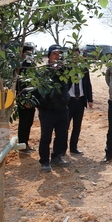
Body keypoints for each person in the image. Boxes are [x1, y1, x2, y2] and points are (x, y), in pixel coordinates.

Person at [36, 44, 71, 172]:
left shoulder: (64, 70)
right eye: (55, 54)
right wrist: (40, 105)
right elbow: (37, 90)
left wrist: (66, 99)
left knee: (62, 135)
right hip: (47, 110)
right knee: (46, 137)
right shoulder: (43, 71)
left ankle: (57, 157)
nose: (57, 56)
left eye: (59, 54)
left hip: (62, 109)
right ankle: (44, 161)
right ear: (49, 55)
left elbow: (68, 85)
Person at [66, 47, 93, 155]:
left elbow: (88, 85)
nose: (75, 58)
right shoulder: (66, 69)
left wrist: (90, 100)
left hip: (80, 101)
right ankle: (62, 149)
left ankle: (73, 147)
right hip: (68, 101)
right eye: (73, 56)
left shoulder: (84, 68)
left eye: (77, 55)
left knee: (77, 126)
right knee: (65, 126)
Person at [16, 43, 36, 154]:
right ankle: (22, 145)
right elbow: (19, 85)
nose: (30, 55)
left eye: (31, 53)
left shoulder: (32, 66)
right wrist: (24, 101)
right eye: (28, 53)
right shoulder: (20, 67)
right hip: (23, 100)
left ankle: (26, 143)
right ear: (23, 54)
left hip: (31, 99)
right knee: (23, 122)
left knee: (29, 122)